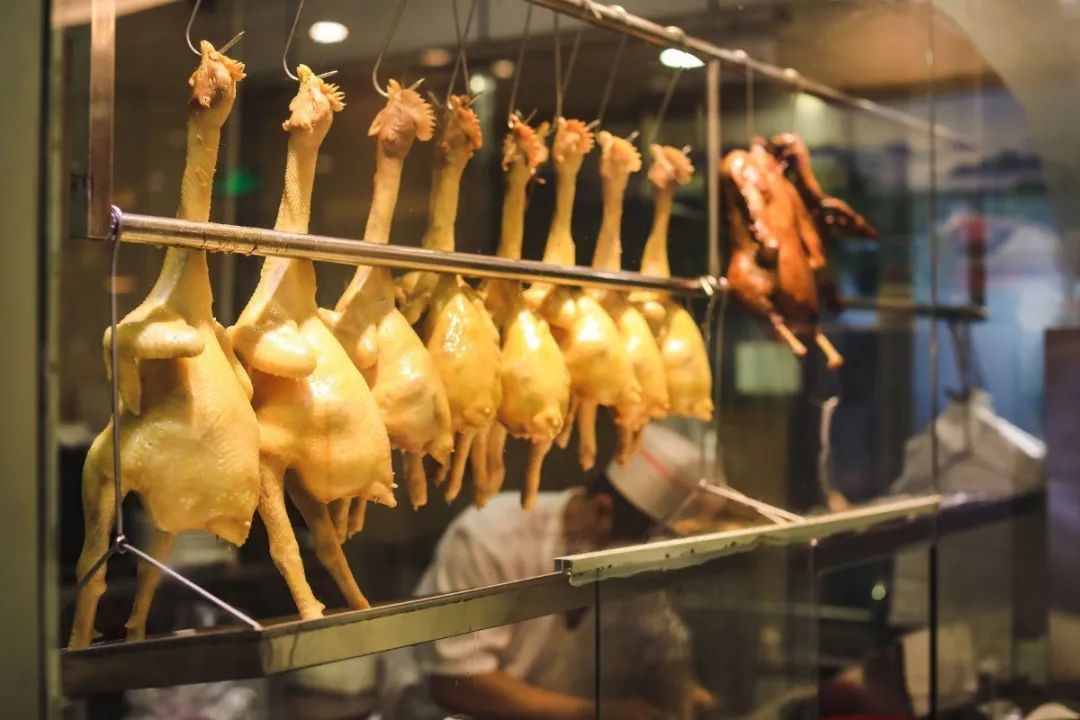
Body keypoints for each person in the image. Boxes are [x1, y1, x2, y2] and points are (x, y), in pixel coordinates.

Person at [378, 424, 718, 720]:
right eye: (643, 539)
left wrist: (683, 690)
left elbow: (659, 645)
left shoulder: (633, 557)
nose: (649, 554)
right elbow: (456, 682)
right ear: (602, 511)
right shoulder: (489, 533)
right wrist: (594, 713)